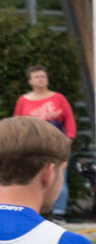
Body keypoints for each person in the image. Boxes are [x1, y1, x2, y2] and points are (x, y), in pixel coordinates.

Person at [13, 66, 77, 218]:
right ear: (30, 81)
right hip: (32, 146)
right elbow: (16, 123)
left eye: (43, 76)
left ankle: (59, 213)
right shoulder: (23, 100)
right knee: (31, 178)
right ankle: (34, 212)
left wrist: (68, 141)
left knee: (59, 177)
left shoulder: (58, 98)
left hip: (55, 144)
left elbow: (69, 121)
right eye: (37, 77)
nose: (41, 79)